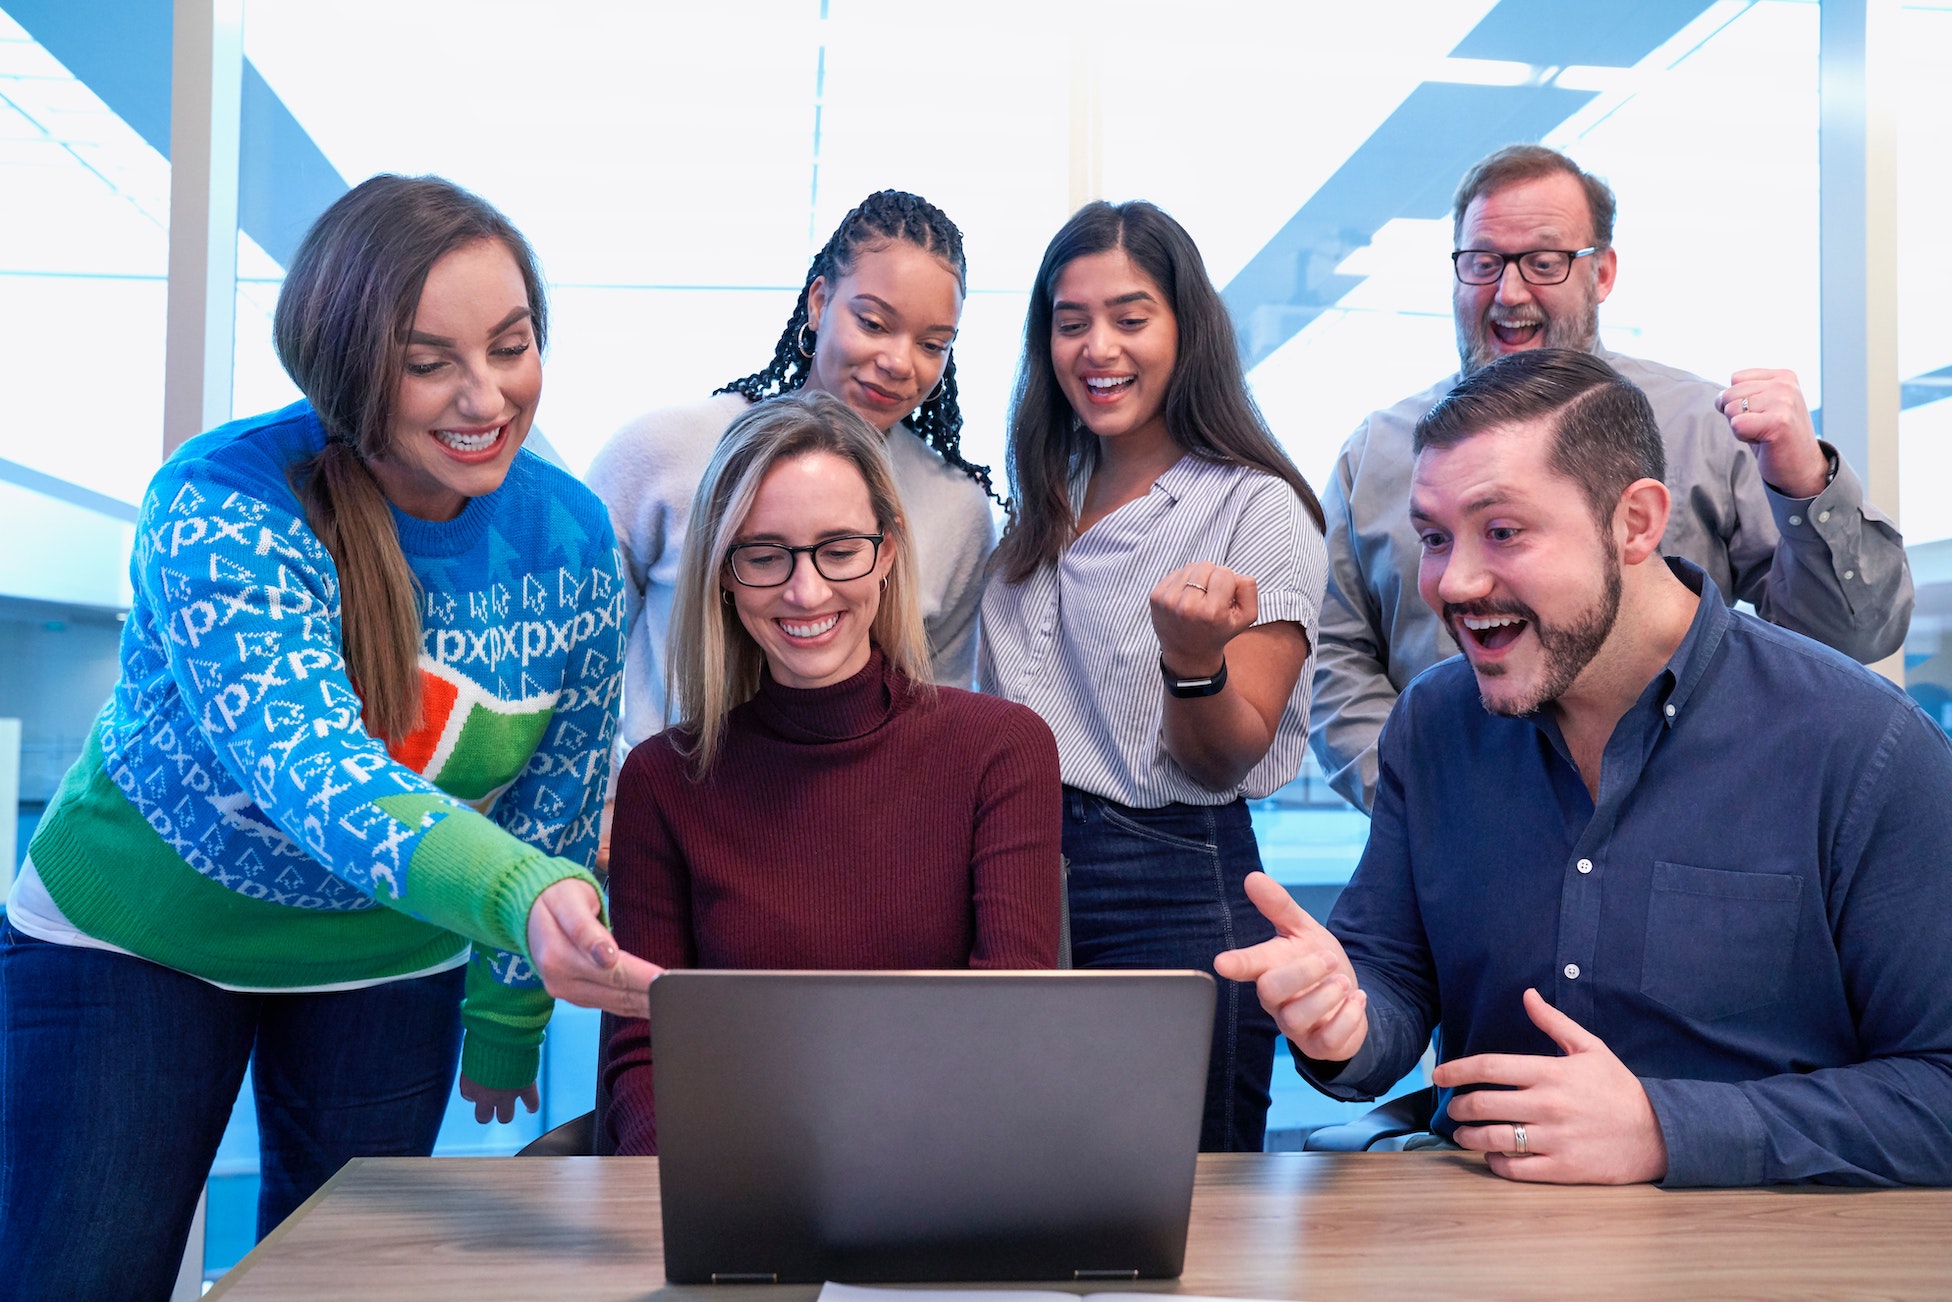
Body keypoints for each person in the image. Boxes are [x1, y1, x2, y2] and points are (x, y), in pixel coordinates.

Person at [0, 175, 659, 1296]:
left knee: (343, 1283)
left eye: (511, 345)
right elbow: (318, 772)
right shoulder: (223, 502)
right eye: (428, 360)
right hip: (136, 942)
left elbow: (559, 776)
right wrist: (517, 902)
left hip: (385, 956)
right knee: (83, 1272)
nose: (485, 395)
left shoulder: (567, 531)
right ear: (345, 361)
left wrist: (507, 1004)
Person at [1219, 349, 1952, 1188]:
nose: (1452, 583)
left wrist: (1669, 1131)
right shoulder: (1434, 724)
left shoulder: (1861, 745)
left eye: (1503, 532)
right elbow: (1389, 979)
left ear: (1636, 524)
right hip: (1488, 1240)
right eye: (1432, 537)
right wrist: (1343, 1021)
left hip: (1760, 1253)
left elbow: (1941, 1087)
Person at [1311, 143, 1913, 813]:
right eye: (1482, 263)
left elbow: (1845, 643)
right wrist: (1423, 803)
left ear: (1601, 273)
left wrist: (1805, 487)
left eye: (1544, 263)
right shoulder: (1377, 455)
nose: (1509, 293)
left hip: (1682, 829)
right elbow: (1333, 663)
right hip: (1452, 851)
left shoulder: (1704, 429)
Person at [601, 391, 1062, 1156]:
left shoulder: (1001, 751)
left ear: (886, 550)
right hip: (733, 1184)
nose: (804, 591)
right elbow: (643, 1060)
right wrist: (695, 1200)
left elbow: (1006, 1028)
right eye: (763, 554)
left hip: (943, 1178)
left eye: (838, 549)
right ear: (721, 571)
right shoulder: (662, 781)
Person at [980, 201, 1328, 1153]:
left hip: (1169, 878)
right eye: (1070, 321)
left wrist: (1191, 662)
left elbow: (1224, 759)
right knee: (1025, 1189)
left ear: (1186, 330)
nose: (1099, 347)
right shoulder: (1042, 500)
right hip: (1020, 869)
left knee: (1183, 1214)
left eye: (1131, 318)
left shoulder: (1256, 509)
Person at [587, 190, 999, 785]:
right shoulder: (661, 453)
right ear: (819, 301)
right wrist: (600, 802)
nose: (899, 361)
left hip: (846, 835)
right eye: (874, 323)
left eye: (933, 343)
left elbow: (932, 719)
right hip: (668, 816)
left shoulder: (955, 508)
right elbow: (574, 663)